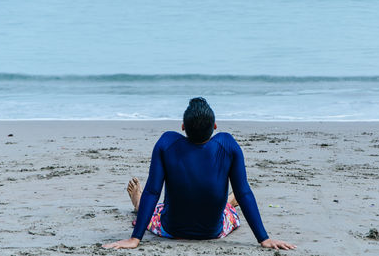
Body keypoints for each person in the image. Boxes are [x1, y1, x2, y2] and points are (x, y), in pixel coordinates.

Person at [103, 97, 296, 250]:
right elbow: (245, 193)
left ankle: (138, 204)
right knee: (231, 209)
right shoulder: (227, 144)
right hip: (214, 231)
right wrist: (264, 239)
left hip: (170, 230)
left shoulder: (166, 143)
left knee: (156, 207)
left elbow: (153, 191)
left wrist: (135, 238)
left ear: (183, 127)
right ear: (214, 127)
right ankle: (229, 202)